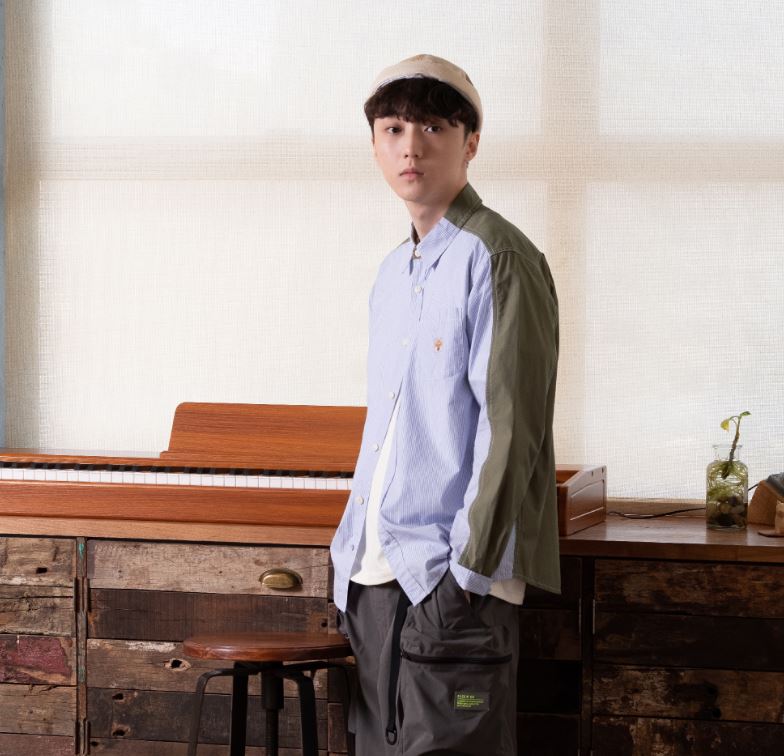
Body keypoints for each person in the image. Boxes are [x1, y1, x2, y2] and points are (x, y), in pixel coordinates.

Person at [330, 53, 561, 755]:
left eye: (433, 126)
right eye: (394, 129)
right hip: (373, 576)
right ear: (375, 145)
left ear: (471, 143)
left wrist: (466, 575)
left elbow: (512, 430)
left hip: (452, 580)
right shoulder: (391, 273)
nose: (411, 146)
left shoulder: (499, 257)